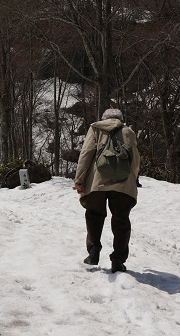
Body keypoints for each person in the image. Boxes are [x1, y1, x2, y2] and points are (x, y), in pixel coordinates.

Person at [74, 108, 140, 273]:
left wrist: (79, 179)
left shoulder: (96, 128)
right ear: (120, 119)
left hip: (98, 182)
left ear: (103, 118)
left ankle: (94, 251)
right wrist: (133, 178)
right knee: (121, 220)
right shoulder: (128, 132)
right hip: (123, 183)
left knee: (94, 214)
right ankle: (118, 259)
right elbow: (135, 160)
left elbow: (86, 154)